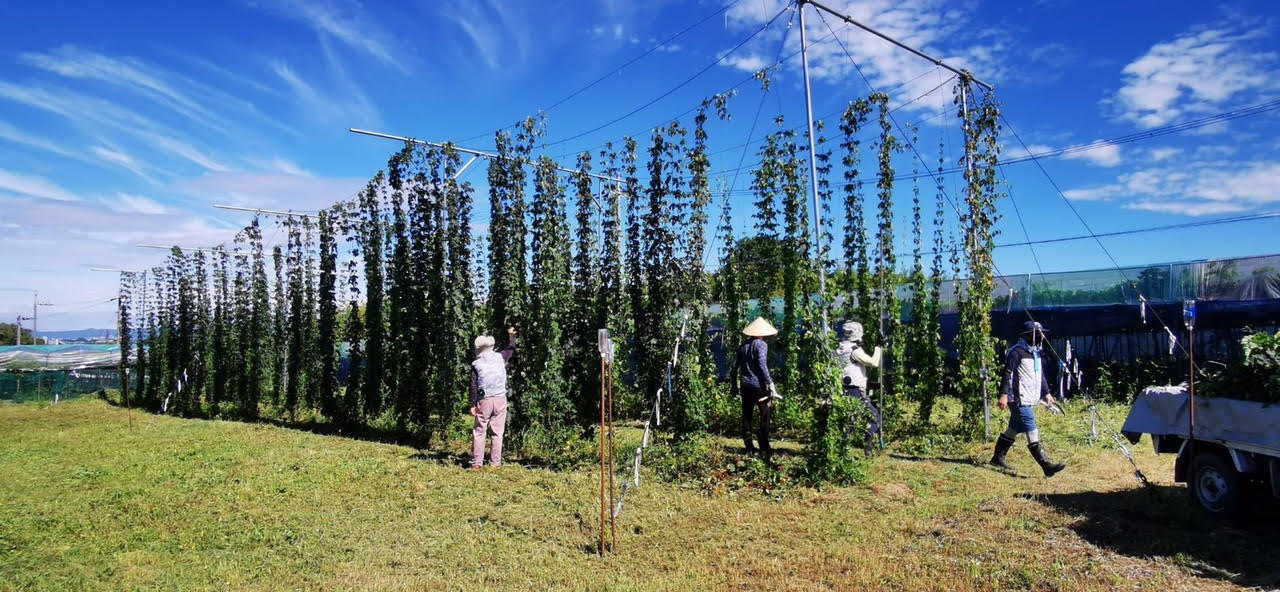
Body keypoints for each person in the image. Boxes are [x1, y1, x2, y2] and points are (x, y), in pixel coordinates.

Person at [991, 320, 1066, 477]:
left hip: (1029, 397)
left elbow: (1040, 376)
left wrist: (1046, 393)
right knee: (1031, 425)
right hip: (1017, 398)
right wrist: (1003, 394)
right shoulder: (1016, 352)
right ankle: (1046, 465)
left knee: (1014, 428)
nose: (1040, 337)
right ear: (1028, 336)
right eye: (1037, 335)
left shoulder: (1035, 354)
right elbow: (1007, 374)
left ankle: (997, 458)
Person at [730, 316, 780, 457]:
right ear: (762, 332)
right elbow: (762, 365)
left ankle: (749, 447)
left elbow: (734, 368)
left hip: (745, 386)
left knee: (747, 415)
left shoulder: (743, 346)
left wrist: (734, 385)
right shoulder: (761, 345)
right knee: (765, 413)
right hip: (759, 386)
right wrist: (770, 383)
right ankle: (764, 447)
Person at [469, 326, 516, 469]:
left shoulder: (477, 363)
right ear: (491, 346)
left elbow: (473, 385)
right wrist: (511, 335)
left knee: (479, 431)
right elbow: (511, 348)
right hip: (501, 398)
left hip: (485, 400)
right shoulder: (501, 357)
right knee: (497, 432)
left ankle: (477, 463)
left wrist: (472, 404)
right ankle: (495, 463)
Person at [836, 320, 883, 455]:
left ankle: (842, 448)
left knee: (851, 420)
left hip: (844, 388)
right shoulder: (854, 351)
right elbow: (873, 362)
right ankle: (869, 444)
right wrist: (878, 347)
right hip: (854, 390)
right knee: (874, 416)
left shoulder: (841, 348)